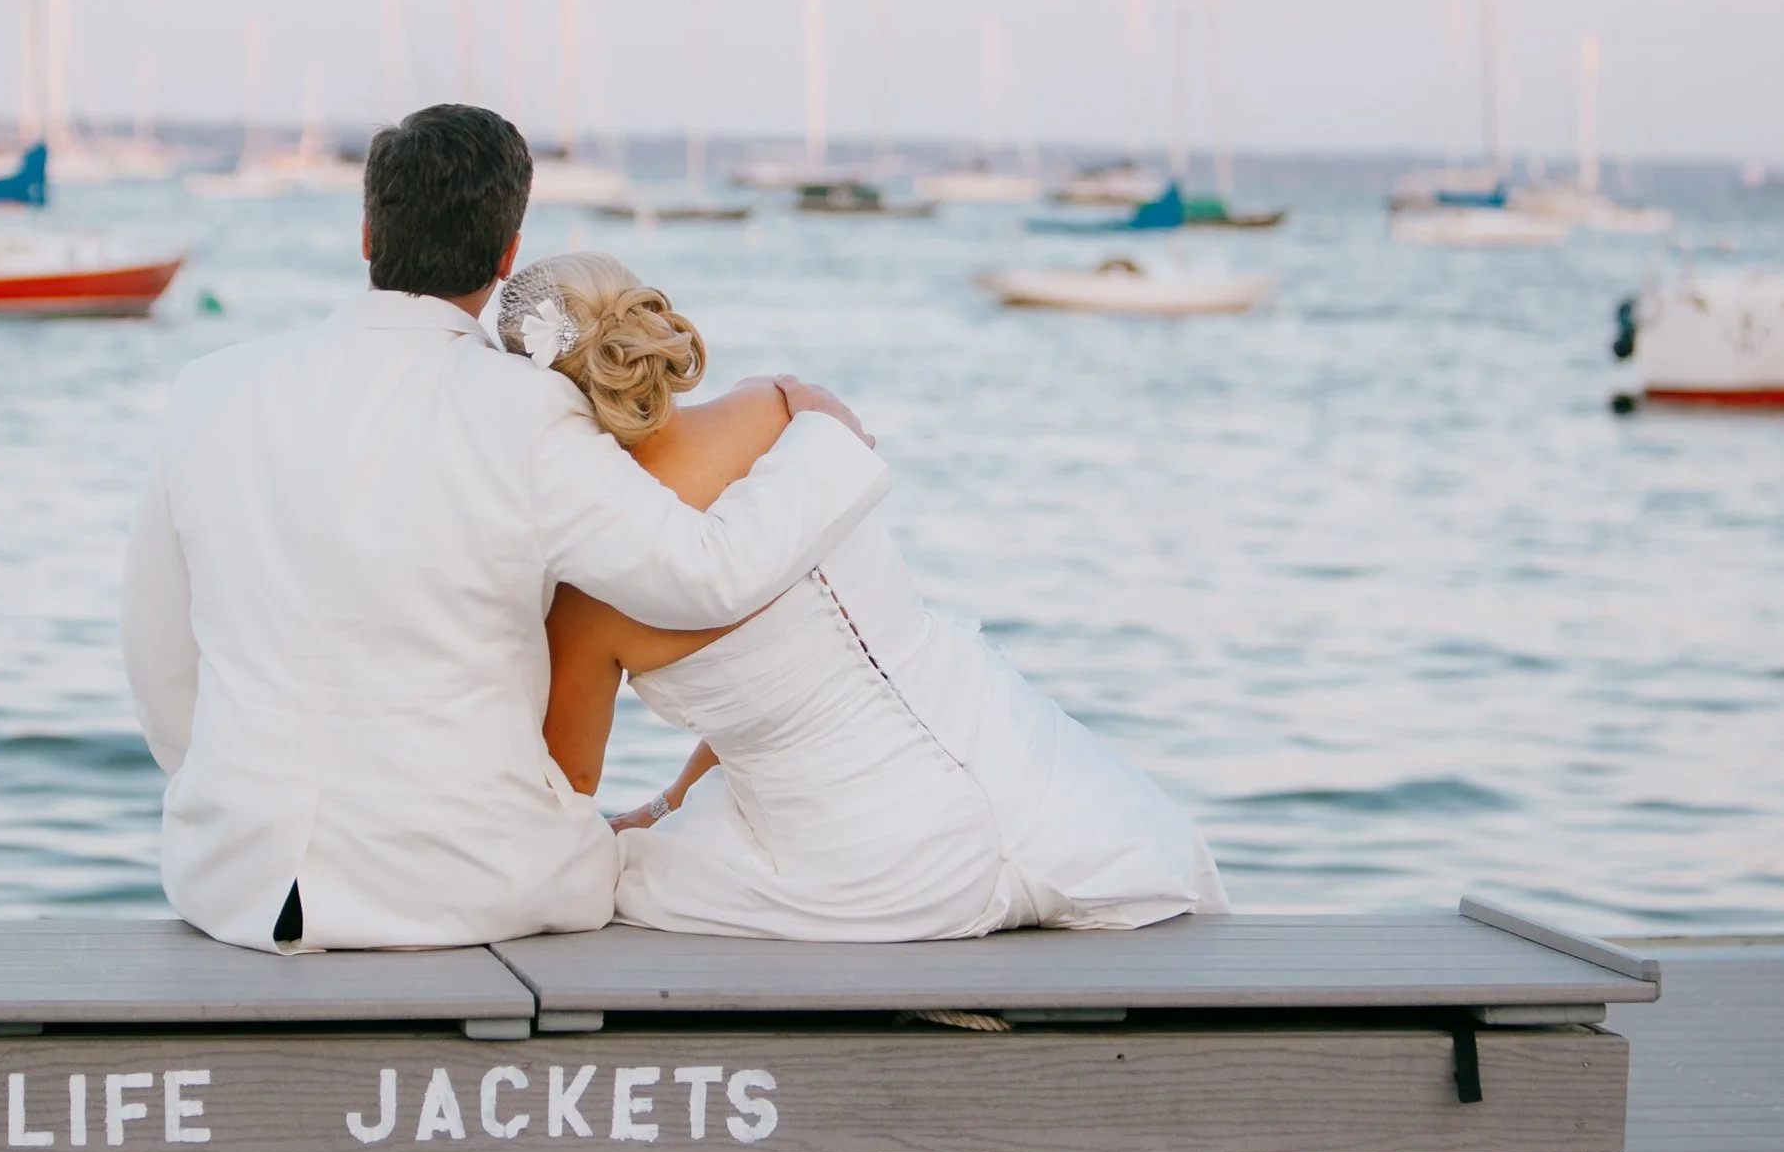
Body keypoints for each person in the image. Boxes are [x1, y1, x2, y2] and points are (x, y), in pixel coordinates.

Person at [121, 107, 889, 952]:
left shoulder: (209, 390)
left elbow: (161, 663)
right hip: (471, 889)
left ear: (368, 233)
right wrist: (826, 439)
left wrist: (241, 808)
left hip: (235, 887)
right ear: (507, 254)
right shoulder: (529, 412)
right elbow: (706, 575)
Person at [521, 251, 1228, 941]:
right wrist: (677, 798)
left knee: (620, 870)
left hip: (871, 865)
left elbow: (564, 795)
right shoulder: (779, 409)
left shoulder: (589, 592)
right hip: (1030, 779)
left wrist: (658, 812)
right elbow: (798, 662)